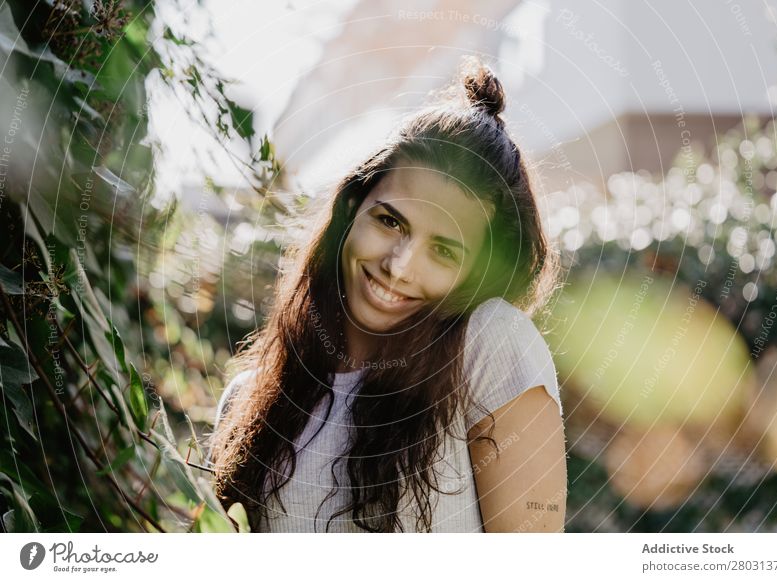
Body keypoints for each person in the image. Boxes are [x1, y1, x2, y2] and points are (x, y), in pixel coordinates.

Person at [206, 56, 567, 533]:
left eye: (443, 250)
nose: (398, 267)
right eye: (390, 221)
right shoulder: (247, 402)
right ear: (353, 206)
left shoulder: (491, 346)